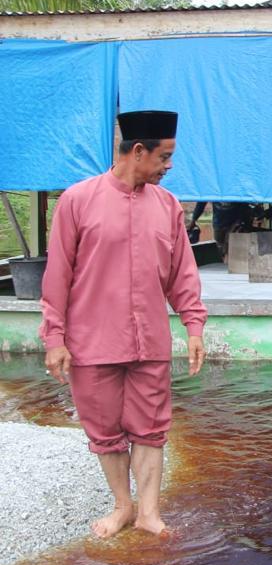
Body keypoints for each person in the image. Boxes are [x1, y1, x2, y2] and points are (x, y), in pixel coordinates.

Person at [39, 109, 207, 539]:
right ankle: (123, 505)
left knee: (151, 429)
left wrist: (193, 326)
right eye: (164, 157)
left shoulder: (168, 207)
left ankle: (150, 512)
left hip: (150, 340)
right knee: (104, 429)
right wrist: (54, 338)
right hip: (91, 343)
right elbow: (57, 275)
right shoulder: (77, 201)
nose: (169, 166)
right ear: (137, 151)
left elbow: (182, 273)